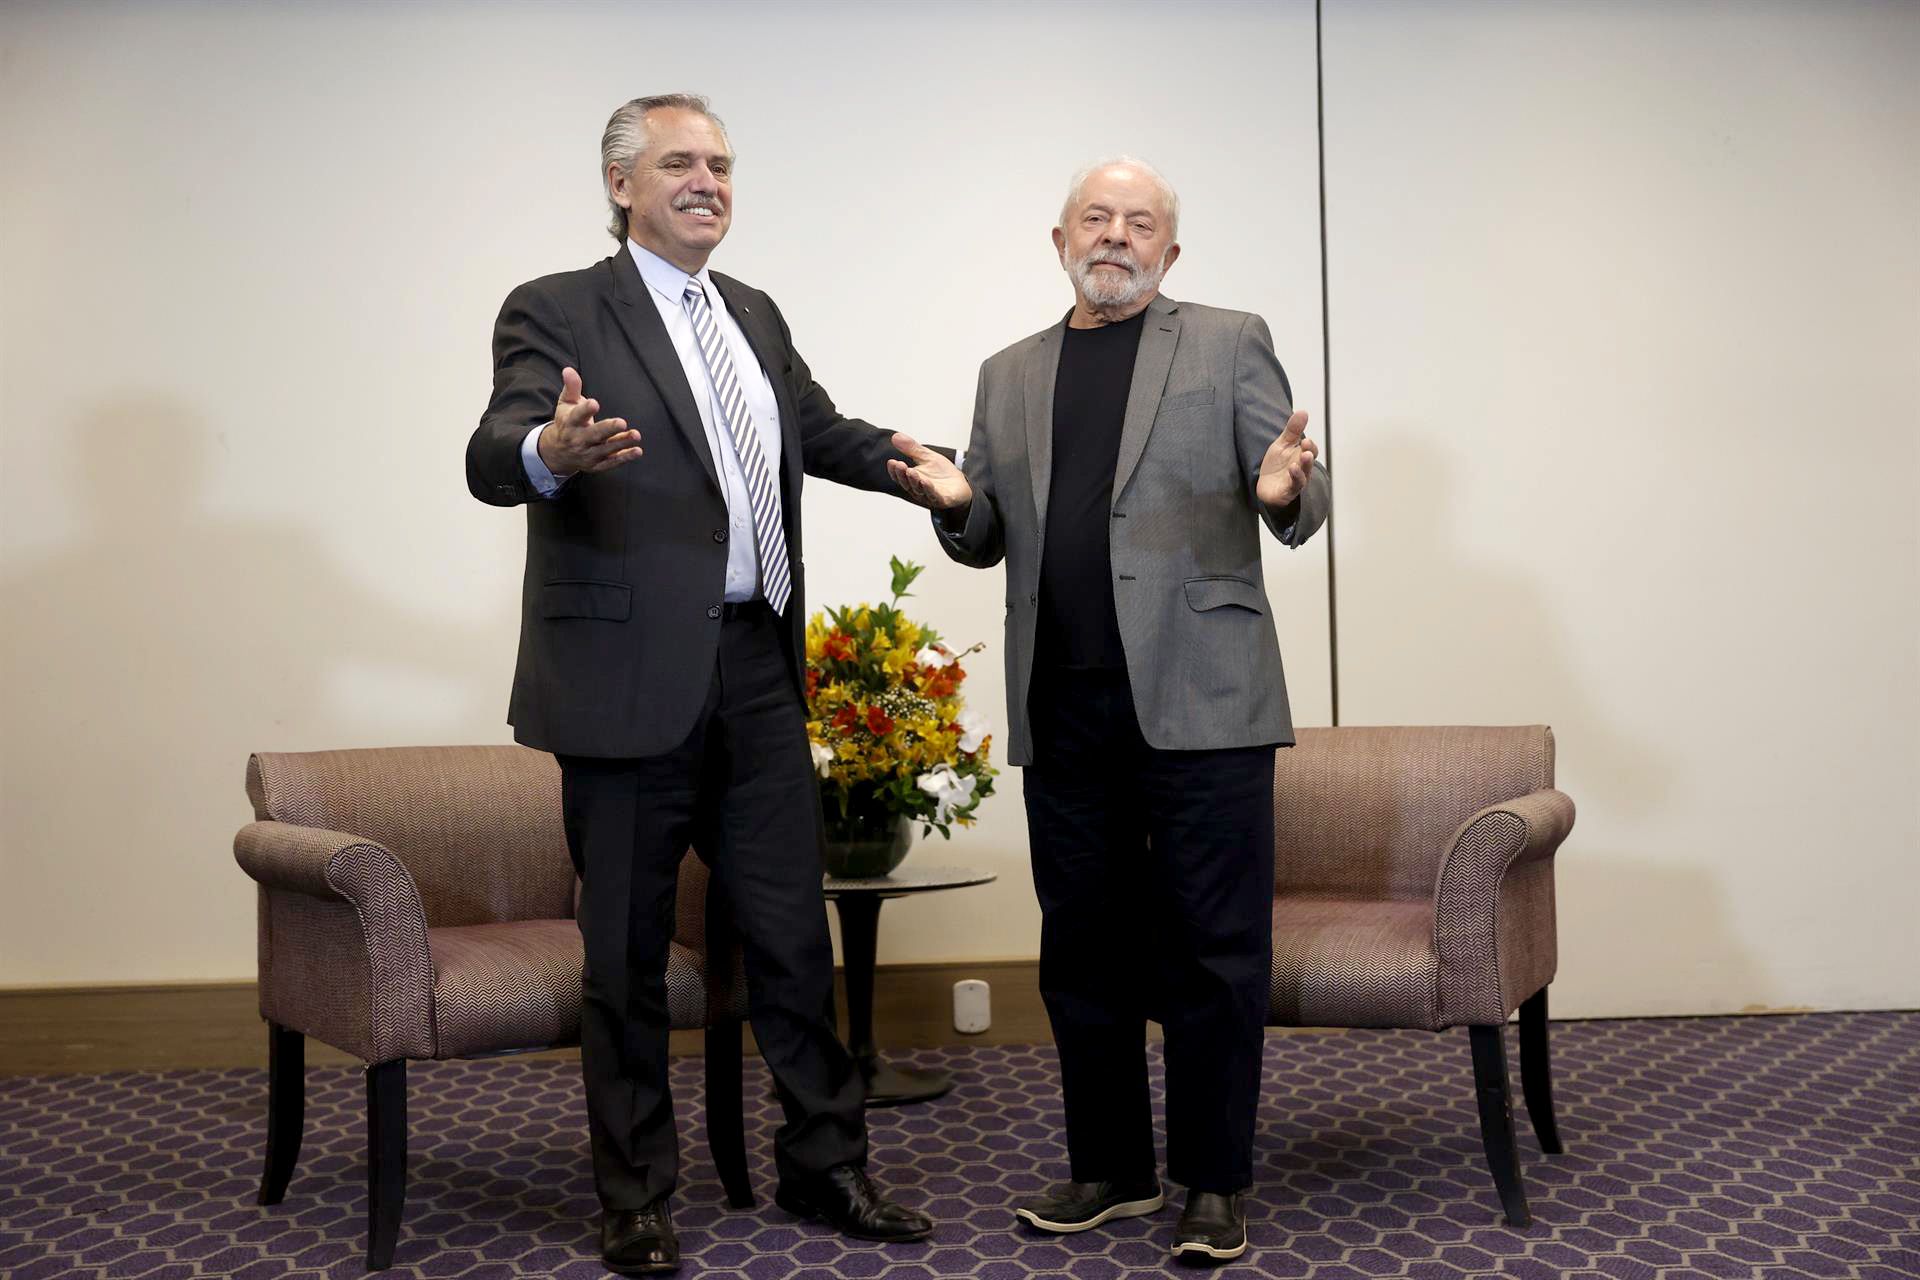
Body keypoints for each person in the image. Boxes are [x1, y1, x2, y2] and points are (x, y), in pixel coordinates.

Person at [466, 94, 962, 1274]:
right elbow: (496, 451)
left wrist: (917, 468)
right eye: (681, 163)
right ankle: (636, 1190)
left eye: (723, 165)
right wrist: (553, 451)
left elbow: (815, 428)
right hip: (626, 681)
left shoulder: (752, 311)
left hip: (755, 667)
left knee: (795, 937)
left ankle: (824, 1162)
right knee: (626, 955)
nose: (709, 182)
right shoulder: (557, 306)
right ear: (620, 183)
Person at [890, 156, 1331, 1263]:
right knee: (1080, 948)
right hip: (1066, 697)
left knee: (1213, 949)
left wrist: (1284, 491)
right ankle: (1112, 1167)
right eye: (1099, 218)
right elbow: (988, 525)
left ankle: (1215, 1179)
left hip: (1205, 697)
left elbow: (1297, 487)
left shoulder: (1229, 339)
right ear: (1060, 239)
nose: (1118, 236)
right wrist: (956, 504)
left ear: (1170, 252)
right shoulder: (1007, 373)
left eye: (1141, 224)